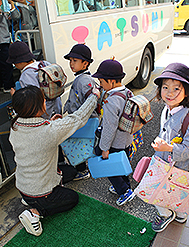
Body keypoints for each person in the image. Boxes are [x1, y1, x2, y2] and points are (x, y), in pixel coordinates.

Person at [9, 85, 100, 236]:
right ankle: (35, 212)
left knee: (70, 171)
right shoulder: (50, 131)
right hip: (40, 193)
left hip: (23, 185)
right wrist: (94, 96)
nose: (45, 101)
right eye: (42, 99)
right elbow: (78, 118)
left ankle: (30, 200)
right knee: (72, 198)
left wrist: (51, 123)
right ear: (38, 106)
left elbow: (37, 138)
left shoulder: (15, 125)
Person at [150, 62, 189, 232]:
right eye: (165, 87)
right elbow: (163, 132)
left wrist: (169, 149)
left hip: (179, 168)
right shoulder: (167, 109)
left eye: (176, 89)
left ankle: (170, 214)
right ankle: (174, 214)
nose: (169, 93)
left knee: (175, 193)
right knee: (162, 191)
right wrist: (160, 144)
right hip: (163, 163)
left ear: (187, 92)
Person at [92, 59, 135, 206]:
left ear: (111, 81)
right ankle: (126, 187)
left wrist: (105, 148)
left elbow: (109, 128)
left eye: (102, 82)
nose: (101, 85)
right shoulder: (127, 92)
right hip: (126, 139)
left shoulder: (112, 101)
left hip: (115, 142)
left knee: (110, 167)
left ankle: (124, 191)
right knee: (121, 164)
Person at [63, 44, 98, 180]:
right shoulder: (81, 78)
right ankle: (82, 168)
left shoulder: (84, 81)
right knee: (79, 145)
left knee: (79, 145)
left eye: (75, 61)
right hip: (81, 120)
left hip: (83, 121)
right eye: (70, 60)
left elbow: (92, 100)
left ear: (85, 63)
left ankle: (82, 170)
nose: (71, 64)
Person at [7, 41, 62, 118]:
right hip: (57, 104)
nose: (14, 65)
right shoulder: (44, 63)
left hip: (44, 111)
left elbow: (30, 100)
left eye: (14, 63)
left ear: (19, 62)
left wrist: (15, 96)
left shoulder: (25, 76)